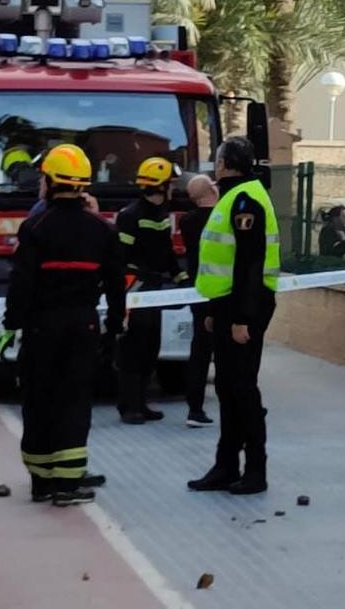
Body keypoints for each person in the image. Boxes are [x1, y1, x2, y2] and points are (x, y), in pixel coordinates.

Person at [0, 144, 126, 506]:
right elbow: (117, 287)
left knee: (39, 398)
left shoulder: (35, 227)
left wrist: (12, 325)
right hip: (83, 326)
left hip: (41, 327)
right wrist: (114, 327)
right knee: (73, 400)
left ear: (51, 182)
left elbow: (21, 284)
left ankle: (41, 482)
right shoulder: (101, 232)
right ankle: (67, 485)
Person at [187, 137, 279, 496]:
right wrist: (214, 311)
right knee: (227, 387)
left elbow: (249, 263)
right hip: (227, 305)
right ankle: (226, 466)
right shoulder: (233, 197)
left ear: (225, 164)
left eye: (217, 159)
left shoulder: (246, 200)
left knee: (243, 389)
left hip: (247, 305)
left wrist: (242, 317)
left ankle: (255, 470)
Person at [116, 157, 188, 425]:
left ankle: (141, 403)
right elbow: (119, 257)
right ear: (159, 186)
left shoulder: (161, 215)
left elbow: (167, 252)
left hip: (155, 289)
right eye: (169, 184)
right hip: (135, 290)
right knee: (132, 350)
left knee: (150, 348)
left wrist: (181, 278)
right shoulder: (130, 216)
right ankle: (128, 407)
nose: (172, 189)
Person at [180, 174, 218, 428]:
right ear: (210, 191)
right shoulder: (221, 219)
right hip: (221, 291)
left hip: (198, 290)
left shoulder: (186, 221)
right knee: (225, 349)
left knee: (200, 349)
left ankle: (194, 408)